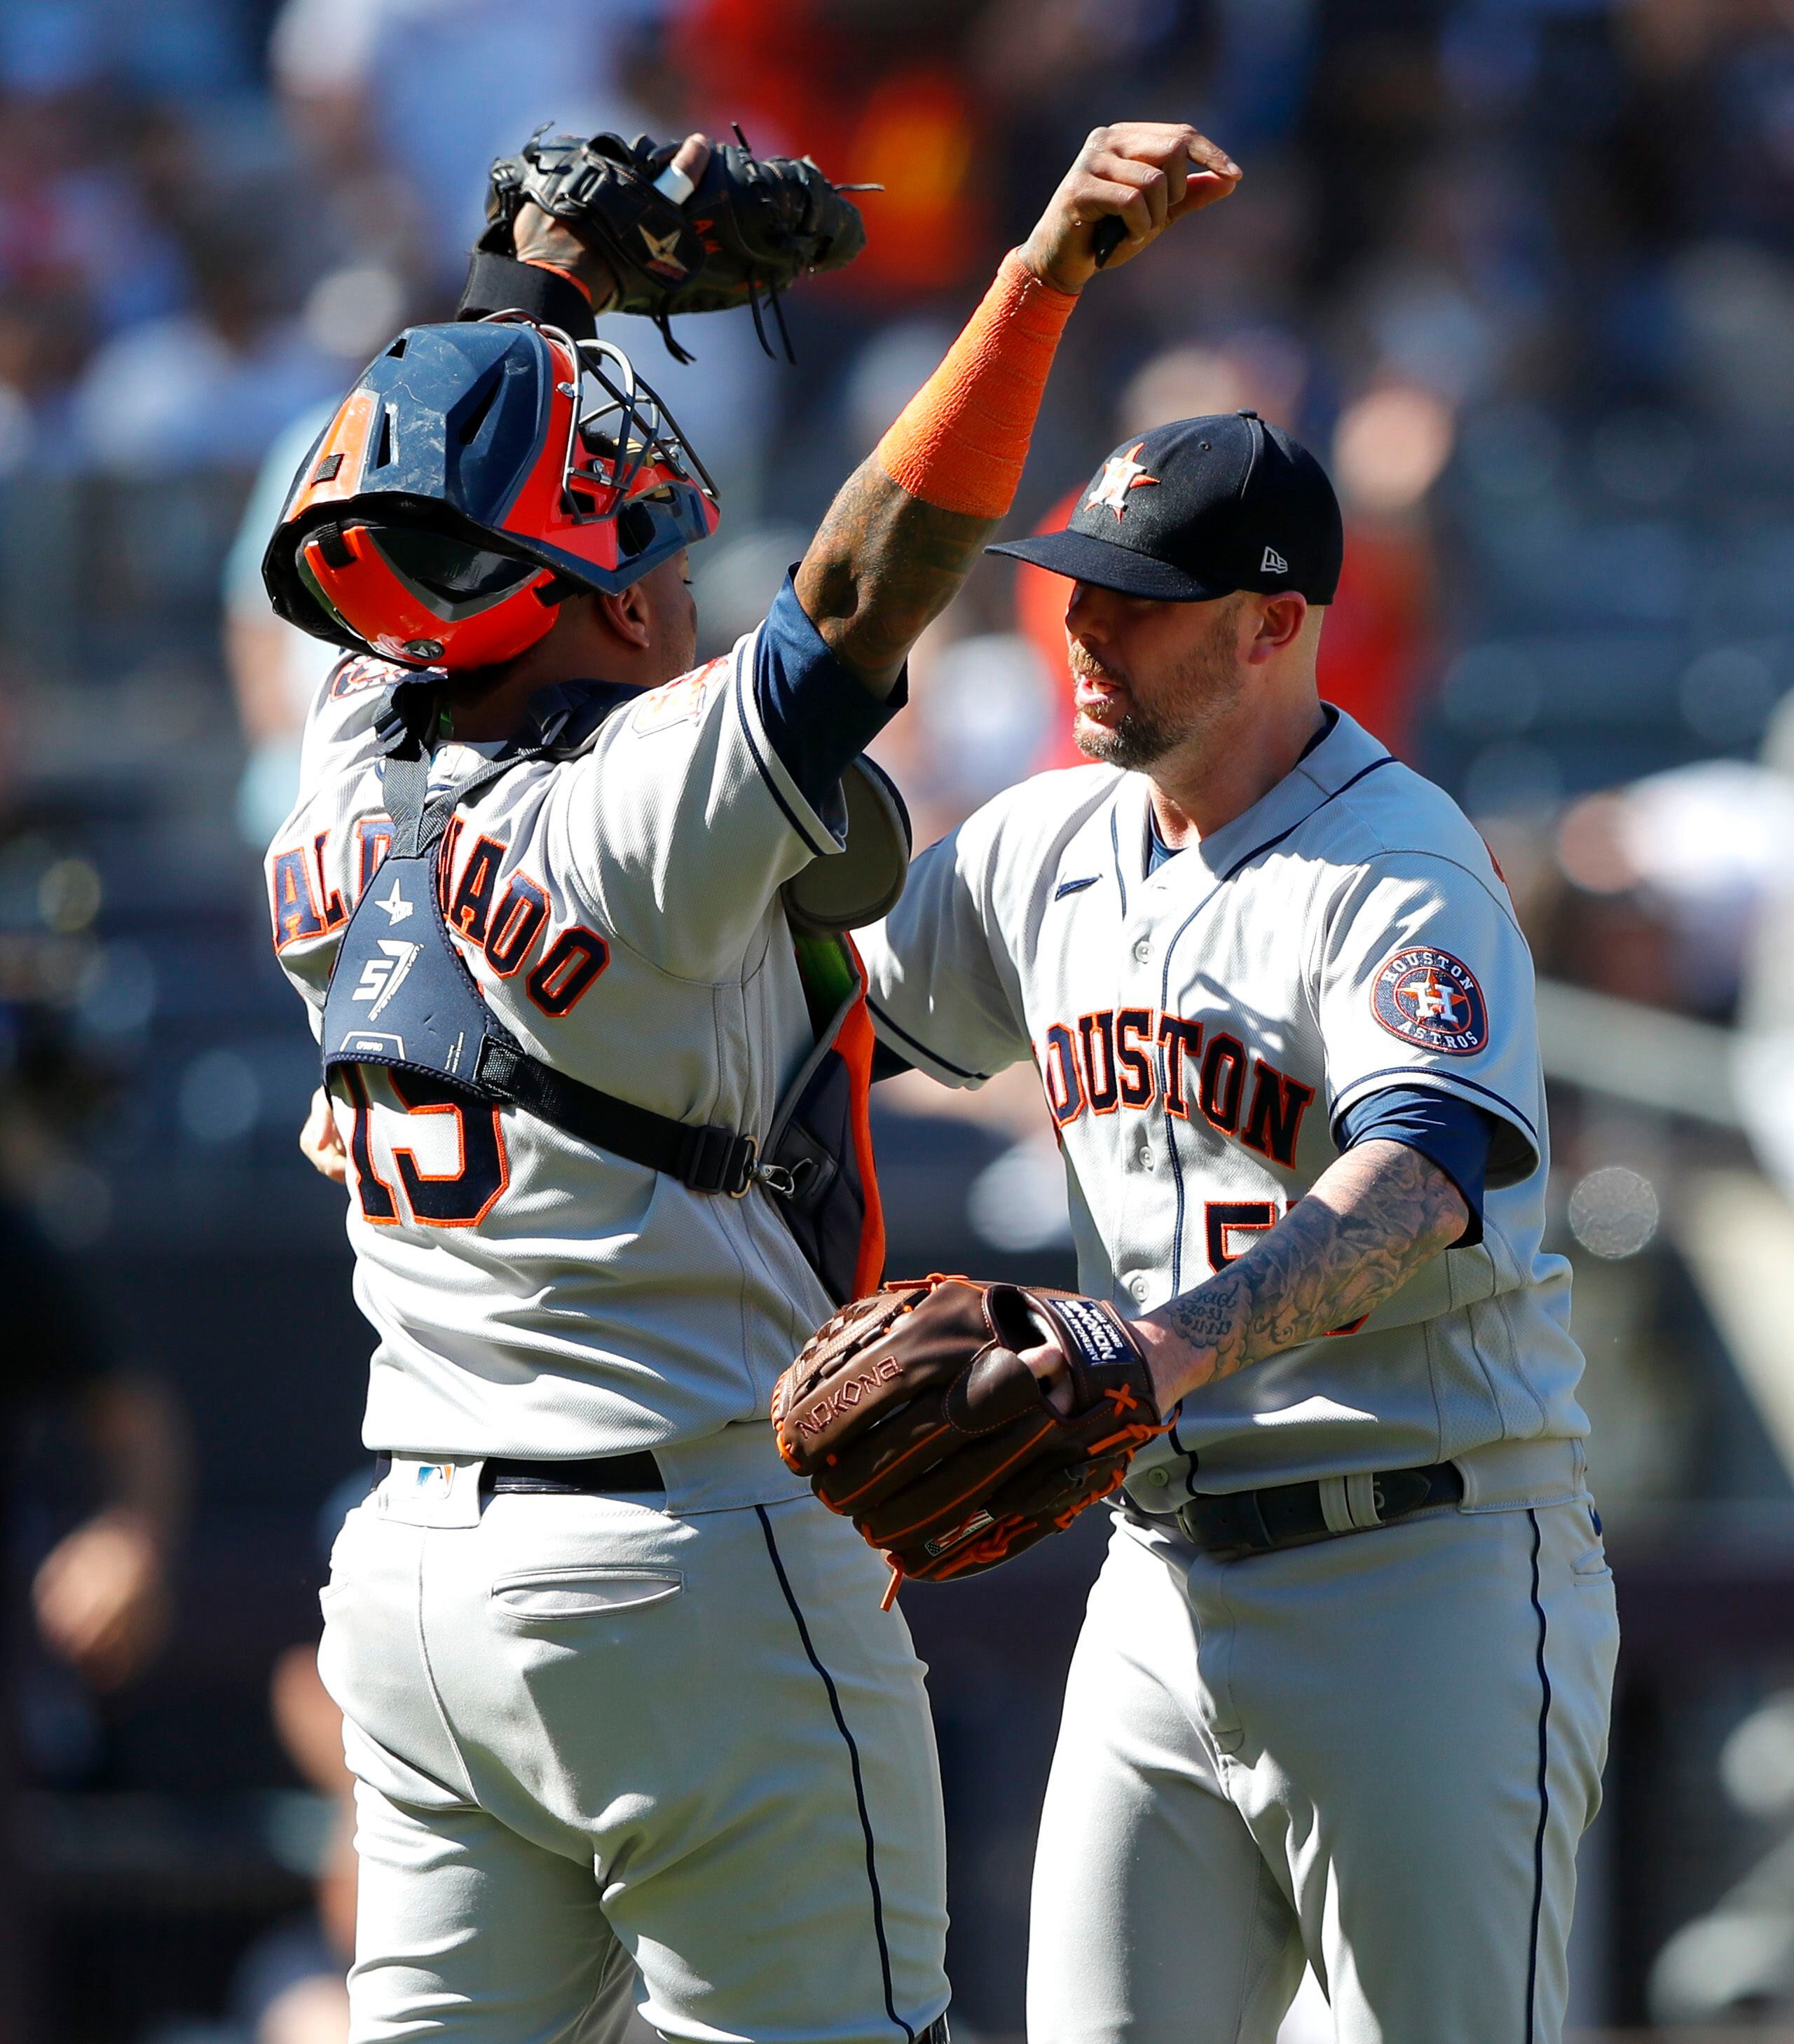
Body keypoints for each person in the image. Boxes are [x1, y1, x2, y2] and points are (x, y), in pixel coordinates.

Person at [270, 120, 1241, 2044]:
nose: (685, 588)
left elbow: (439, 532)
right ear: (616, 608)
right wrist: (1038, 278)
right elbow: (871, 587)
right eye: (655, 558)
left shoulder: (335, 761)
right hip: (688, 1561)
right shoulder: (640, 809)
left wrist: (533, 264)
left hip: (413, 1578)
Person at [855, 413, 1619, 2043]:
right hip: (1156, 1573)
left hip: (1420, 1567)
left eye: (1139, 598)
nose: (1084, 626)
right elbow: (819, 1049)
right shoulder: (1042, 844)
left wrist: (1163, 1347)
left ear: (1272, 625)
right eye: (1077, 585)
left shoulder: (1393, 863)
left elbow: (1423, 1170)